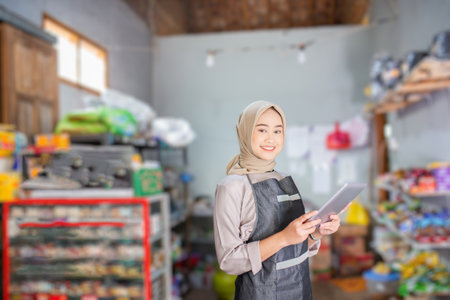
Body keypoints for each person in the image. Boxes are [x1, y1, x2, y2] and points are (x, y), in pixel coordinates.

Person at [214, 101, 346, 299]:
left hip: (299, 289)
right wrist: (284, 237)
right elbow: (229, 262)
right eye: (262, 130)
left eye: (278, 131)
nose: (271, 139)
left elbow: (294, 245)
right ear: (245, 132)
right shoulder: (232, 186)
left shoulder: (284, 180)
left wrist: (317, 232)